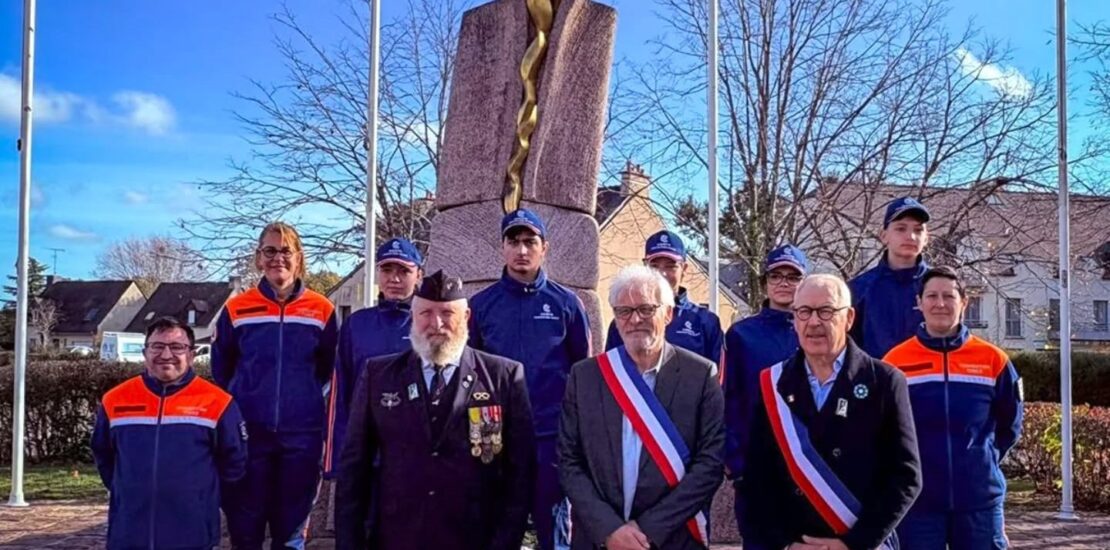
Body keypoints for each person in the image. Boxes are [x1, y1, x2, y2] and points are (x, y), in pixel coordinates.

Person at [336, 270, 535, 550]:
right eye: (426, 313)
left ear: (466, 318)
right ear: (413, 318)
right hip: (397, 538)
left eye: (447, 313)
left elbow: (520, 473)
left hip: (475, 538)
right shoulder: (379, 375)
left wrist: (505, 542)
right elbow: (354, 470)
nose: (436, 323)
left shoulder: (503, 376)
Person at [742, 274, 921, 550]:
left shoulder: (884, 381)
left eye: (826, 311)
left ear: (849, 318)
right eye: (804, 312)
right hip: (797, 543)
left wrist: (853, 543)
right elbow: (757, 478)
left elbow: (906, 476)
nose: (814, 322)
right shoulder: (773, 383)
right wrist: (785, 543)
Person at [557, 265, 724, 550]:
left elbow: (710, 463)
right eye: (624, 311)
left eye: (646, 309)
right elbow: (569, 461)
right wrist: (610, 530)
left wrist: (647, 529)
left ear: (668, 314)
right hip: (600, 539)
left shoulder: (700, 375)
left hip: (672, 537)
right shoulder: (585, 377)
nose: (635, 320)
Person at [468, 207, 592, 550]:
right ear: (502, 247)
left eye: (530, 241)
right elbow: (469, 376)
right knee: (497, 526)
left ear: (544, 247)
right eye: (514, 241)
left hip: (550, 435)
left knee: (553, 528)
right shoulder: (480, 306)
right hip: (493, 434)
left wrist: (576, 434)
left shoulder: (567, 304)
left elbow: (583, 372)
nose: (522, 250)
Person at [212, 221, 339, 550]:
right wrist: (248, 401)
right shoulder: (236, 308)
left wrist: (302, 399)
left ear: (298, 258)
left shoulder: (322, 309)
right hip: (249, 436)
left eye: (285, 251)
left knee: (291, 532)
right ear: (258, 258)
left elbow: (326, 368)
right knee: (245, 529)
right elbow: (222, 369)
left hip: (302, 437)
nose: (277, 258)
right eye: (269, 251)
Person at [883, 266, 1023, 549]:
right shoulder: (895, 362)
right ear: (919, 303)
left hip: (979, 501)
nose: (940, 303)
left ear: (964, 302)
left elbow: (1011, 423)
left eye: (949, 296)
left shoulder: (993, 360)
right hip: (917, 503)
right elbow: (882, 428)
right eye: (932, 296)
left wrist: (983, 460)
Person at [92, 316, 247, 550]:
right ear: (145, 352)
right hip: (130, 532)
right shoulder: (115, 399)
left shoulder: (218, 402)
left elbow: (233, 464)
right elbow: (104, 456)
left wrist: (201, 497)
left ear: (192, 354)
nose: (166, 355)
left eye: (177, 347)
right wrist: (130, 490)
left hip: (192, 532)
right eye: (157, 346)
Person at [722, 244, 808, 534]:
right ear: (765, 283)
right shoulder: (741, 335)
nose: (784, 283)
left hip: (811, 472)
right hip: (757, 470)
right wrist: (736, 462)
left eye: (793, 277)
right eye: (776, 276)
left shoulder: (817, 332)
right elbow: (728, 400)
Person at [324, 237, 424, 476]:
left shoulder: (431, 324)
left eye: (404, 270)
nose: (394, 278)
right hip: (366, 455)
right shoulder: (356, 325)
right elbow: (340, 395)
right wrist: (336, 462)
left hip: (416, 457)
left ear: (419, 275)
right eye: (387, 269)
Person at [605, 230, 724, 370]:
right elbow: (611, 373)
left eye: (671, 266)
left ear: (684, 269)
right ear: (645, 267)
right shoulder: (625, 321)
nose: (662, 273)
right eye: (654, 266)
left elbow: (717, 381)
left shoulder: (705, 322)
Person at [849, 196, 931, 359]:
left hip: (928, 380)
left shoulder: (940, 287)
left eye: (918, 230)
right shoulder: (859, 288)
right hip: (875, 381)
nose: (911, 237)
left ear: (927, 238)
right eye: (901, 229)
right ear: (883, 235)